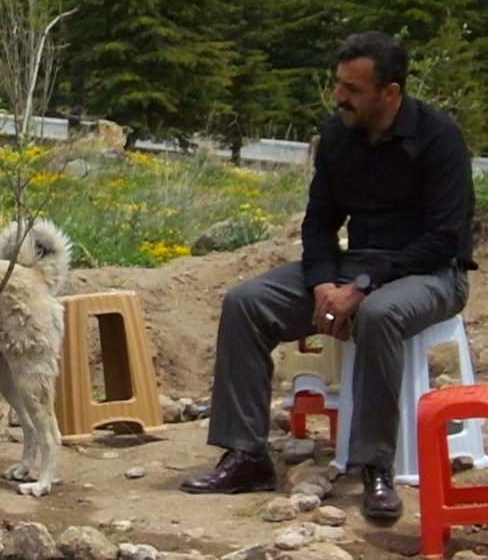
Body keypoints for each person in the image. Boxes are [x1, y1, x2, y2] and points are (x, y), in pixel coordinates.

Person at [180, 31, 477, 523]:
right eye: (338, 84)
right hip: (350, 267)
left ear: (391, 94)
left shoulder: (439, 138)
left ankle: (374, 466)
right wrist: (323, 284)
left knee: (380, 314)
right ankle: (246, 455)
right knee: (245, 302)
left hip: (430, 272)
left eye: (353, 89)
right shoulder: (339, 135)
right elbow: (319, 221)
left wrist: (362, 288)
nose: (339, 96)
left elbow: (444, 238)